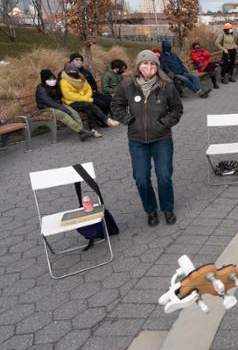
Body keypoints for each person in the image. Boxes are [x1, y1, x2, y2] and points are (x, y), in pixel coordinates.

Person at [111, 50, 184, 227]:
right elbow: (116, 105)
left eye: (152, 64)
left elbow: (177, 109)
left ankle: (167, 209)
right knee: (141, 179)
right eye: (145, 64)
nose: (148, 68)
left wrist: (163, 123)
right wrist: (129, 120)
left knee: (164, 177)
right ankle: (151, 210)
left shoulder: (167, 85)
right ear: (138, 65)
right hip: (137, 141)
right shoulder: (127, 85)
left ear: (157, 67)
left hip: (162, 138)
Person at [59, 63, 119, 137]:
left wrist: (86, 97)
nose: (72, 74)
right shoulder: (64, 81)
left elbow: (89, 89)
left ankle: (93, 130)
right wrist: (86, 98)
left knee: (89, 109)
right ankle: (106, 120)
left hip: (85, 100)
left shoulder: (81, 78)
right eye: (70, 73)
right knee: (89, 105)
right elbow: (69, 96)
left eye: (74, 72)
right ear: (67, 73)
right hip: (72, 102)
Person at [35, 69, 94, 141]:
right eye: (49, 79)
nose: (52, 80)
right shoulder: (41, 89)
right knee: (63, 114)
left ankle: (82, 133)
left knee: (74, 112)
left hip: (58, 106)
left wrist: (65, 107)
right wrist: (64, 109)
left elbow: (59, 99)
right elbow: (50, 103)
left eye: (53, 78)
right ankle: (81, 131)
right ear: (44, 80)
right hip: (46, 109)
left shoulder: (55, 85)